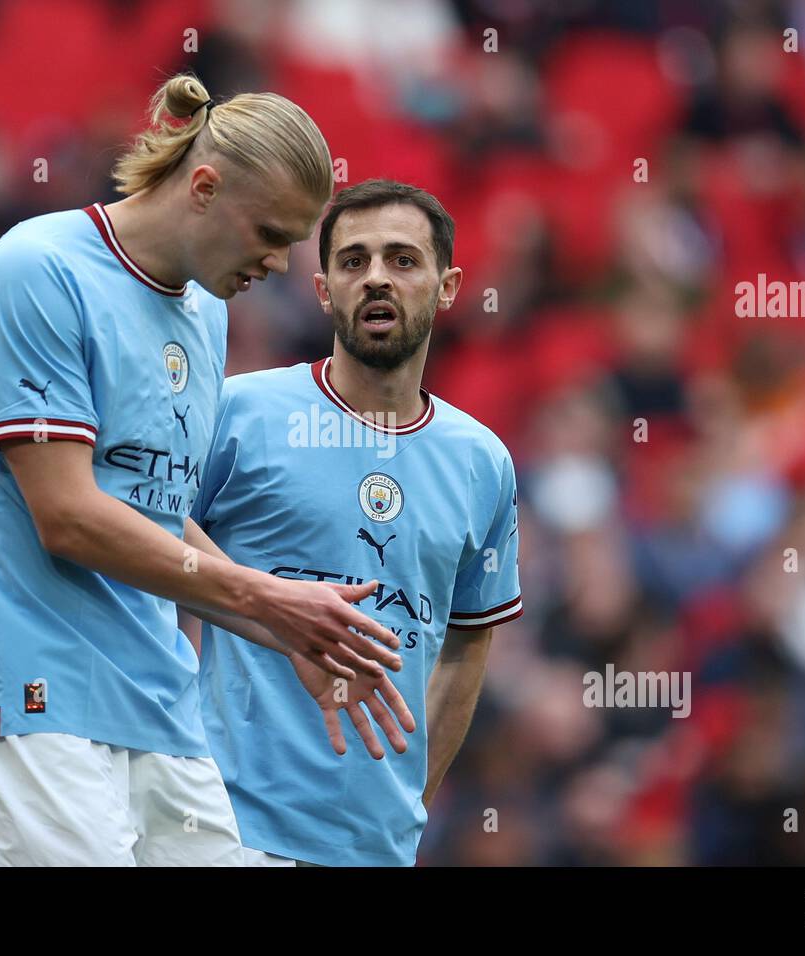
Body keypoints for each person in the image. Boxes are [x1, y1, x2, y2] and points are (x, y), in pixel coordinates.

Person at [0, 74, 406, 867]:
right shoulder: (36, 272)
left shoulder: (206, 311)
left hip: (160, 704)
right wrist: (264, 594)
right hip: (35, 698)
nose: (280, 265)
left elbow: (153, 505)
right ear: (203, 187)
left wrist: (276, 628)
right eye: (271, 233)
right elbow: (68, 514)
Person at [193, 179, 523, 866]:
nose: (376, 278)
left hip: (373, 849)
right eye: (353, 261)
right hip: (225, 829)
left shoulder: (482, 462)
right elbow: (148, 525)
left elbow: (467, 645)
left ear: (448, 284)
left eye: (403, 260)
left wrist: (407, 807)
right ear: (323, 291)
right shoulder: (239, 414)